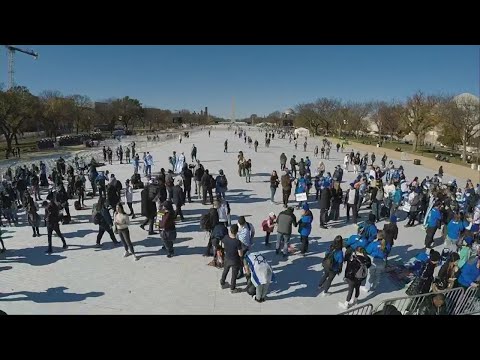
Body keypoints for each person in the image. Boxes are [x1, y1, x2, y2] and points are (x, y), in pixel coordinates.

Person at [220, 224, 243, 293]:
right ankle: (232, 288)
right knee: (234, 275)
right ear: (237, 232)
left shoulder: (226, 237)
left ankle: (222, 283)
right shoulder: (237, 242)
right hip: (235, 260)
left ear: (230, 231)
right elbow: (240, 254)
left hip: (227, 258)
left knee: (225, 271)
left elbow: (223, 244)